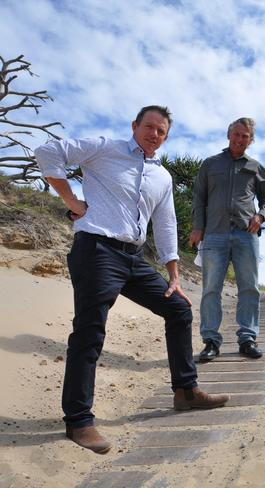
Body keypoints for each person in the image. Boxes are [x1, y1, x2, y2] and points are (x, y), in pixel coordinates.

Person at [34, 106, 229, 455]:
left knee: (179, 309)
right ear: (135, 126)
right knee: (90, 331)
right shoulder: (105, 148)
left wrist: (173, 272)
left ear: (166, 137)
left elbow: (166, 223)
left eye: (162, 131)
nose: (154, 134)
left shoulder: (162, 177)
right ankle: (78, 420)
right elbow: (48, 151)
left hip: (133, 257)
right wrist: (70, 199)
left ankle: (185, 392)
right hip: (96, 249)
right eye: (149, 126)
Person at [190, 117, 265, 362]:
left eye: (245, 136)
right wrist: (198, 228)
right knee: (210, 289)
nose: (240, 139)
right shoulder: (210, 165)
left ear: (251, 140)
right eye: (237, 134)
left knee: (249, 288)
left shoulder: (256, 167)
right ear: (229, 135)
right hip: (214, 234)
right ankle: (210, 341)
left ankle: (247, 338)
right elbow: (199, 198)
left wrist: (261, 215)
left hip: (245, 235)